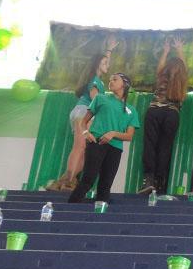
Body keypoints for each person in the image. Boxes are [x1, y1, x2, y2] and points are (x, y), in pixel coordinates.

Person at [47, 37, 117, 191]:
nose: (108, 65)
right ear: (98, 65)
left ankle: (64, 181)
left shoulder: (96, 79)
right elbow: (95, 99)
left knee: (84, 149)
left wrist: (109, 50)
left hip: (80, 113)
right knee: (79, 147)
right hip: (84, 113)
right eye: (105, 63)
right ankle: (69, 181)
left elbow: (103, 63)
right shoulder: (95, 81)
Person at [68, 73, 140, 203]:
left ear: (125, 84)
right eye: (110, 79)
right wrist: (86, 133)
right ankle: (70, 208)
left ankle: (99, 217)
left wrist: (113, 133)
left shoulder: (132, 110)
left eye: (115, 79)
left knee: (105, 185)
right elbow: (83, 122)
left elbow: (129, 136)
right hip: (96, 143)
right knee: (88, 179)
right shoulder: (100, 98)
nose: (110, 81)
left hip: (116, 149)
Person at [138, 36, 188, 195]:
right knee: (165, 147)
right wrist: (179, 48)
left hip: (154, 111)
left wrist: (166, 51)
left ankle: (148, 179)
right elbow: (183, 65)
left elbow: (160, 65)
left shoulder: (161, 76)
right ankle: (160, 183)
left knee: (150, 145)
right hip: (172, 114)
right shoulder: (181, 79)